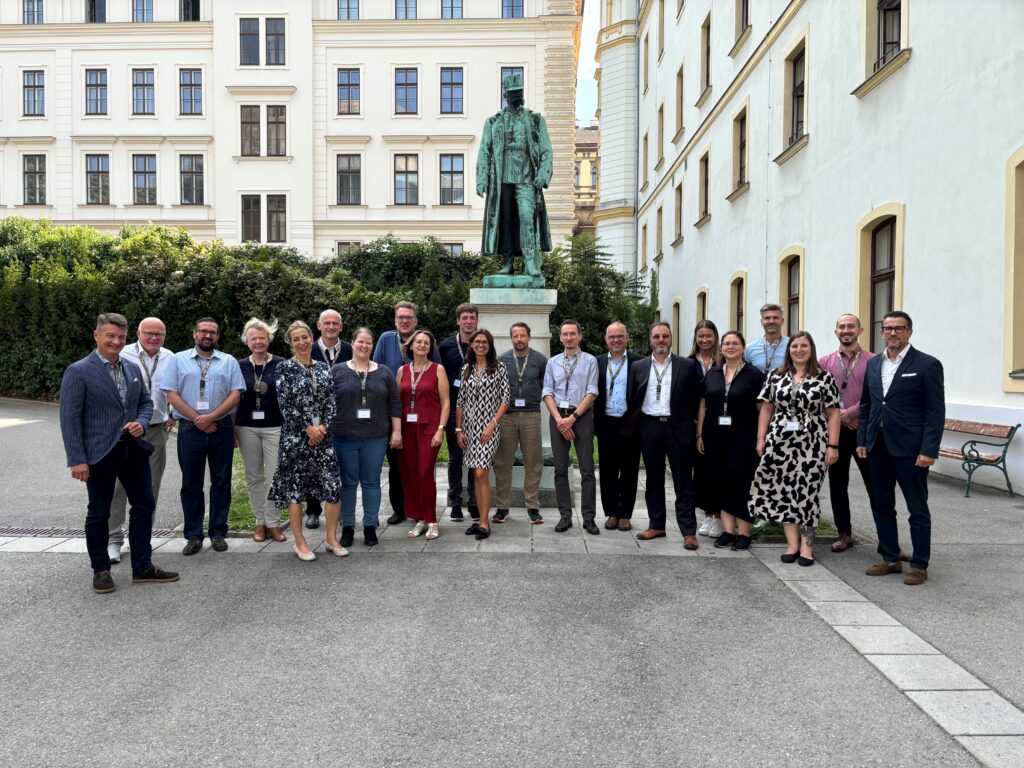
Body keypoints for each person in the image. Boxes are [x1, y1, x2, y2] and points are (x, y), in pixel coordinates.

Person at [59, 312, 178, 593]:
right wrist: (77, 459)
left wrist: (141, 421)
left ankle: (142, 566)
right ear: (97, 336)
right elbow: (69, 418)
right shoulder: (78, 371)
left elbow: (147, 403)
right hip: (99, 453)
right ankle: (100, 569)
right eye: (110, 336)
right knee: (99, 511)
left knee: (144, 505)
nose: (115, 341)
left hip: (133, 450)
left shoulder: (131, 368)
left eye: (120, 337)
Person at [858, 311, 945, 586]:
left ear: (909, 332)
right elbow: (867, 406)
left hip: (911, 449)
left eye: (899, 328)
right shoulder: (873, 364)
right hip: (878, 447)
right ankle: (890, 558)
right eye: (888, 329)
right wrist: (862, 440)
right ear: (881, 332)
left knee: (917, 508)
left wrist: (929, 449)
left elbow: (934, 411)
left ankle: (919, 564)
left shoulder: (927, 364)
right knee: (882, 504)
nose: (893, 333)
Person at [749, 332, 841, 566]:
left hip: (813, 443)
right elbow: (766, 409)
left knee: (807, 495)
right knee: (785, 493)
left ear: (811, 349)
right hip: (780, 443)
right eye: (795, 346)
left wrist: (833, 445)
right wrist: (761, 438)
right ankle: (791, 545)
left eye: (804, 345)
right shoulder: (775, 376)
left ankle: (807, 547)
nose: (799, 349)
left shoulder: (824, 377)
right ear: (789, 350)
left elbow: (833, 414)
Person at [162, 318, 245, 555]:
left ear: (217, 337)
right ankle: (193, 535)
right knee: (191, 484)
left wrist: (211, 418)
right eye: (203, 331)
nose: (207, 336)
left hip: (221, 428)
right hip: (189, 429)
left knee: (221, 481)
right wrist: (198, 418)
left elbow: (235, 395)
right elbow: (171, 394)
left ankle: (218, 532)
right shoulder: (177, 360)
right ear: (194, 334)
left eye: (212, 332)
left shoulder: (228, 361)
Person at [267, 321, 344, 561]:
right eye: (296, 339)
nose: (302, 342)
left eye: (305, 337)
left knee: (332, 486)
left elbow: (332, 402)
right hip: (295, 438)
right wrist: (307, 428)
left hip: (323, 437)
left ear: (312, 338)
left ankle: (331, 538)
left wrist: (321, 428)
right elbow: (285, 405)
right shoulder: (284, 369)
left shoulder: (323, 368)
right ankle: (300, 542)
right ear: (290, 343)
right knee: (295, 490)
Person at [627, 322, 703, 549]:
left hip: (678, 428)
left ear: (671, 338)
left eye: (665, 336)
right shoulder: (639, 366)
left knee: (683, 481)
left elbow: (696, 398)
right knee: (653, 479)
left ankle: (689, 531)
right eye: (656, 336)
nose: (661, 340)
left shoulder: (687, 366)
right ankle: (657, 525)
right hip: (649, 427)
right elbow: (633, 396)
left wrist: (693, 429)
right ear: (650, 339)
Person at [107, 316, 175, 565]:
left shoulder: (170, 357)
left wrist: (174, 414)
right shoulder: (122, 354)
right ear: (138, 333)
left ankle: (141, 539)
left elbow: (174, 389)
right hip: (124, 431)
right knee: (118, 488)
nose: (154, 338)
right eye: (149, 333)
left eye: (159, 334)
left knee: (150, 489)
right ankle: (113, 540)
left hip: (156, 429)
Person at [476, 72, 553, 281]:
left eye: (519, 93)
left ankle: (530, 260)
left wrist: (544, 174)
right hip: (502, 179)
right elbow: (484, 150)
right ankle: (508, 262)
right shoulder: (493, 122)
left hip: (526, 177)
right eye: (512, 94)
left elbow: (546, 150)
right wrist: (482, 178)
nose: (516, 97)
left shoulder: (535, 121)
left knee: (527, 216)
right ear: (506, 96)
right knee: (506, 220)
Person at [330, 328, 403, 548]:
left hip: (376, 436)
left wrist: (397, 431)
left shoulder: (384, 372)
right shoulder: (337, 371)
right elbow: (326, 403)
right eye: (360, 341)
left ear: (373, 346)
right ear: (351, 344)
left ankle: (370, 525)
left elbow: (394, 404)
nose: (364, 345)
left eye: (368, 342)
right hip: (344, 436)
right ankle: (348, 526)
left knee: (371, 482)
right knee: (348, 483)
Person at [372, 300, 439, 526]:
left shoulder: (424, 341)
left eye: (409, 317)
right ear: (395, 320)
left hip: (422, 415)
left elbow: (436, 377)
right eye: (401, 317)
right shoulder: (384, 339)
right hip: (393, 412)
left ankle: (421, 508)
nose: (404, 321)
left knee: (421, 466)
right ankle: (399, 509)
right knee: (397, 463)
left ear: (416, 321)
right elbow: (377, 369)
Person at [696, 331, 765, 550]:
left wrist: (761, 437)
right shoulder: (714, 373)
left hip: (743, 437)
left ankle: (744, 533)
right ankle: (728, 531)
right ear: (722, 348)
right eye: (727, 343)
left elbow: (763, 409)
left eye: (735, 343)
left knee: (741, 483)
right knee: (720, 481)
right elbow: (703, 405)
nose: (731, 346)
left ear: (743, 348)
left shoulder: (754, 375)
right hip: (715, 437)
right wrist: (699, 435)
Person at [818, 313, 876, 553]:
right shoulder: (824, 362)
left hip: (864, 430)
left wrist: (850, 414)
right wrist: (839, 418)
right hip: (835, 433)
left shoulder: (874, 361)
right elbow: (817, 395)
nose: (846, 330)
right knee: (838, 485)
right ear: (836, 332)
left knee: (875, 485)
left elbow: (875, 395)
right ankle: (844, 533)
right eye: (841, 327)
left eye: (850, 326)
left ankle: (886, 536)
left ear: (860, 331)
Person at [542, 320, 600, 534]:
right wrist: (559, 419)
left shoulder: (590, 361)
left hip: (581, 417)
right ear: (560, 338)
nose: (568, 338)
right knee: (559, 470)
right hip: (558, 416)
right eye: (565, 334)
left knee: (586, 469)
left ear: (579, 336)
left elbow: (592, 392)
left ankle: (589, 518)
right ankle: (565, 516)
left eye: (572, 334)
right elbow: (547, 392)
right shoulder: (552, 362)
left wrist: (572, 418)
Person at [235, 318, 286, 544]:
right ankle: (259, 521)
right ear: (247, 341)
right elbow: (233, 399)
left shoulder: (282, 364)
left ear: (268, 339)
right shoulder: (238, 365)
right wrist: (232, 430)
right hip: (247, 427)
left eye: (262, 338)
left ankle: (273, 522)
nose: (258, 342)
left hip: (275, 426)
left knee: (275, 474)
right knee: (254, 476)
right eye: (253, 338)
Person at [456, 329, 511, 540]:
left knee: (481, 473)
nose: (480, 345)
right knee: (475, 474)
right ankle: (480, 520)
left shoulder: (499, 368)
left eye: (485, 342)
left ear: (490, 345)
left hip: (489, 428)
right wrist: (458, 429)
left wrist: (492, 424)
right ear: (471, 345)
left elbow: (506, 399)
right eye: (477, 342)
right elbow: (460, 401)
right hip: (468, 429)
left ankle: (484, 523)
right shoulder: (466, 369)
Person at [397, 330, 450, 540]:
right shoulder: (402, 370)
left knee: (425, 473)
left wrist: (441, 429)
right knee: (410, 474)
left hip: (429, 428)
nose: (421, 345)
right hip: (406, 429)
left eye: (426, 343)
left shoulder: (438, 369)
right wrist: (395, 430)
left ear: (431, 347)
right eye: (418, 342)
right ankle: (419, 519)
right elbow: (396, 401)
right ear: (410, 345)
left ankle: (432, 520)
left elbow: (446, 402)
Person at [493, 322, 547, 525]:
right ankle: (502, 507)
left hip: (531, 415)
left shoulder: (540, 360)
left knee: (533, 462)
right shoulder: (501, 360)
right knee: (502, 462)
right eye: (515, 336)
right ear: (511, 338)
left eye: (523, 336)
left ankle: (532, 506)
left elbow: (545, 385)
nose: (519, 339)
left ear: (529, 337)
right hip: (506, 415)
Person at [305, 308, 353, 529]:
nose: (331, 327)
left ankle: (339, 509)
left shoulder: (351, 350)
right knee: (313, 464)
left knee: (341, 465)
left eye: (336, 323)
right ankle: (313, 510)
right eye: (327, 323)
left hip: (344, 415)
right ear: (319, 325)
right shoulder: (308, 350)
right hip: (316, 416)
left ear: (341, 327)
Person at [594, 321, 642, 531]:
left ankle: (625, 514)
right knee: (607, 471)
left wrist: (633, 420)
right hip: (606, 423)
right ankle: (612, 512)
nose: (616, 340)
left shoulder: (639, 363)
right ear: (605, 339)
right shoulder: (596, 363)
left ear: (627, 337)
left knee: (630, 471)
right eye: (612, 337)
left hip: (630, 423)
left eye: (619, 336)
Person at [438, 303, 480, 522]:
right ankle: (456, 502)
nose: (469, 321)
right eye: (465, 318)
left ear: (477, 321)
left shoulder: (482, 345)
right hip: (454, 410)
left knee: (474, 458)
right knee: (456, 458)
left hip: (477, 411)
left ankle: (473, 502)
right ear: (458, 321)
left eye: (472, 318)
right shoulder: (445, 347)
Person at [688, 320, 724, 539]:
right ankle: (707, 515)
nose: (704, 340)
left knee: (719, 468)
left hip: (720, 423)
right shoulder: (688, 362)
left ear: (715, 336)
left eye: (708, 335)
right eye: (700, 336)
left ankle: (718, 515)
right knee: (701, 470)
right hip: (694, 423)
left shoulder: (724, 360)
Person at [744, 303, 789, 374]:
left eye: (775, 318)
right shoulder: (750, 348)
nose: (771, 321)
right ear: (762, 322)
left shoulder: (791, 345)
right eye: (767, 318)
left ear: (782, 321)